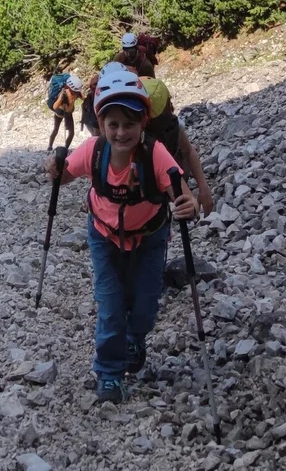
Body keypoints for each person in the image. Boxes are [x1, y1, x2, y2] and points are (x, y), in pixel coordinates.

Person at [47, 64, 197, 403]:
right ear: (101, 124)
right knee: (111, 305)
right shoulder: (95, 151)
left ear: (143, 123)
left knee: (144, 305)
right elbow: (64, 175)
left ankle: (136, 337)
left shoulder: (155, 154)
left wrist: (190, 204)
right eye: (113, 124)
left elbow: (181, 194)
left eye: (129, 124)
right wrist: (53, 167)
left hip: (150, 235)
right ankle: (110, 373)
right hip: (104, 235)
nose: (121, 132)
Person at [120, 34, 218, 218]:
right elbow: (189, 152)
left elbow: (188, 152)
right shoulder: (139, 132)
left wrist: (203, 190)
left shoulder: (146, 66)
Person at [45, 70, 79, 149]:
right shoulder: (65, 94)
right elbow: (55, 107)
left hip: (66, 112)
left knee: (58, 130)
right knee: (66, 132)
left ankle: (53, 147)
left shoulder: (75, 91)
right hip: (61, 112)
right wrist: (61, 98)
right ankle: (55, 147)